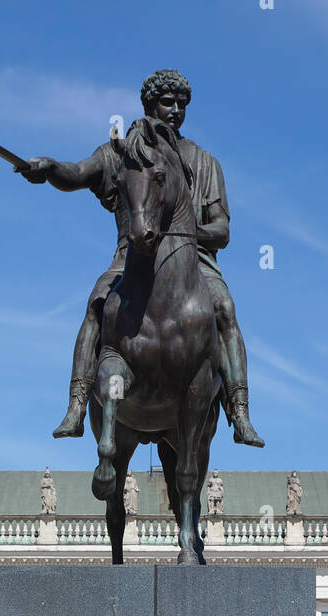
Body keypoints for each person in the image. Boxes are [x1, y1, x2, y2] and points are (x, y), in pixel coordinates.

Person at [18, 68, 264, 448]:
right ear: (149, 103)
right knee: (96, 307)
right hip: (129, 260)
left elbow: (223, 231)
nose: (176, 110)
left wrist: (183, 234)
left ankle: (240, 411)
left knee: (226, 310)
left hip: (193, 263)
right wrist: (49, 167)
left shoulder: (204, 162)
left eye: (183, 104)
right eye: (168, 102)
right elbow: (77, 173)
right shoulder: (121, 153)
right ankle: (77, 405)